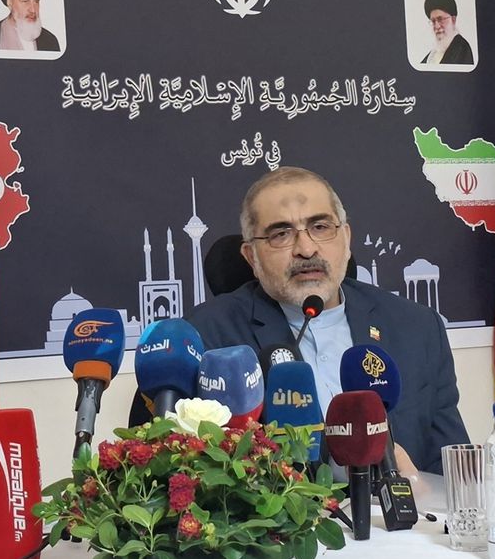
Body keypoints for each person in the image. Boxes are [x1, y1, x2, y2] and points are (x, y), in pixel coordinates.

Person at [186, 167, 470, 475]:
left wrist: (419, 485)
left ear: (346, 238)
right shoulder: (208, 337)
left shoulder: (416, 327)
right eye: (281, 234)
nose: (306, 249)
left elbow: (453, 469)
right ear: (251, 257)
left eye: (320, 227)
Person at [420, 0, 474, 65]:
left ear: (453, 20)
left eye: (440, 19)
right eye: (433, 21)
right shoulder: (434, 53)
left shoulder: (462, 48)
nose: (437, 26)